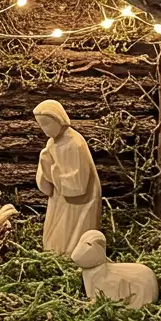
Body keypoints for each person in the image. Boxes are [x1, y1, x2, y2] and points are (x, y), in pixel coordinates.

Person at [33, 99, 101, 255]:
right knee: (53, 242)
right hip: (59, 198)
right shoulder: (51, 144)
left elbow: (78, 185)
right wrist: (44, 165)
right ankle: (56, 254)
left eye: (46, 124)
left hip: (79, 203)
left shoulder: (75, 144)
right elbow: (47, 185)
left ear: (59, 119)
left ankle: (72, 256)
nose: (44, 129)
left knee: (71, 241)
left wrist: (52, 170)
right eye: (41, 125)